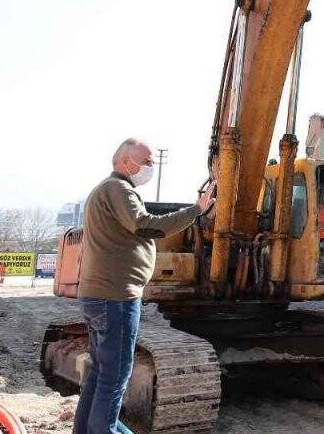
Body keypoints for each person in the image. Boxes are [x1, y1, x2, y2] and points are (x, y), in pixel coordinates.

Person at [73, 139, 215, 434]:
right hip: (116, 297)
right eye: (146, 161)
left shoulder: (106, 191)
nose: (150, 167)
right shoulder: (118, 189)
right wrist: (196, 211)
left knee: (99, 373)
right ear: (126, 162)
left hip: (99, 295)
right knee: (114, 376)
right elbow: (146, 225)